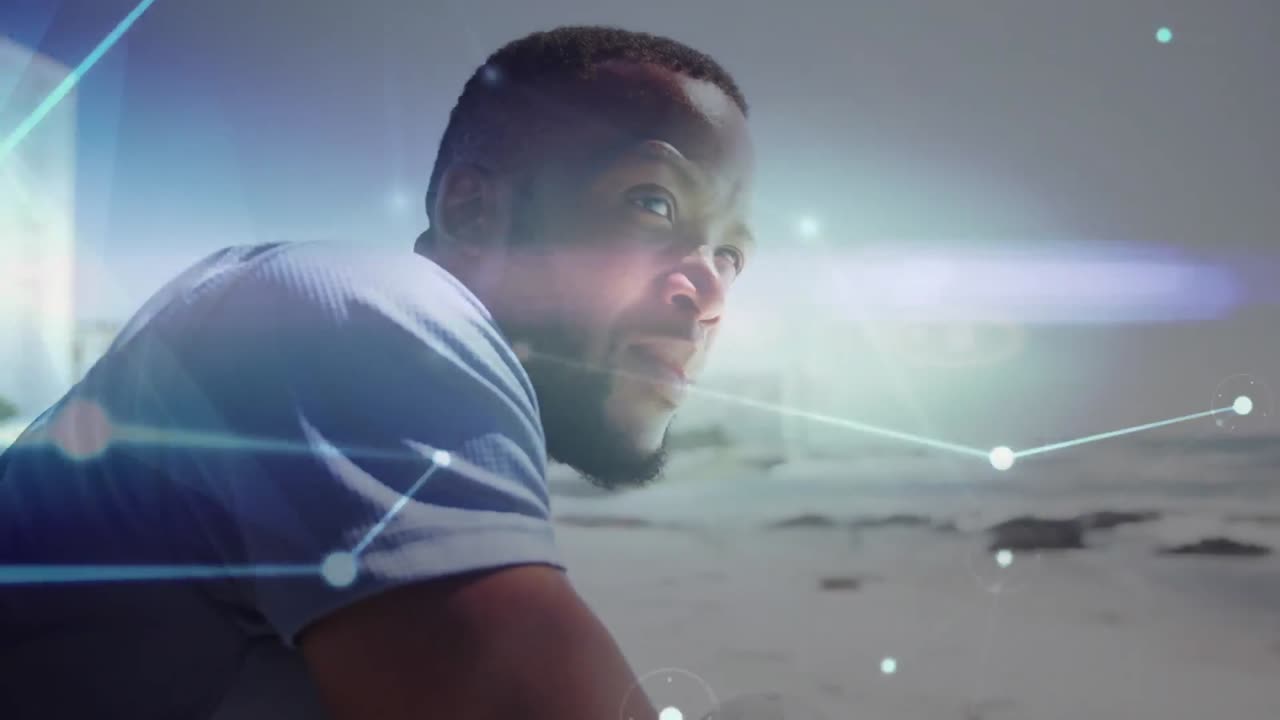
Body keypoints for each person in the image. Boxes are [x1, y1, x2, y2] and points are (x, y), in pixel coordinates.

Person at [0, 25, 755, 720]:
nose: (713, 290)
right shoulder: (371, 314)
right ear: (471, 211)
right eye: (651, 203)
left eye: (730, 252)